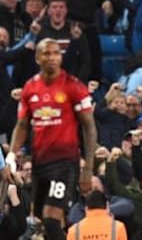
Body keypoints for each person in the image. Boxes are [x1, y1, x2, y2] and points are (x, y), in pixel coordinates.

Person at [3, 38, 97, 240]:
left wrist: (88, 167)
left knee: (51, 219)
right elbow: (21, 126)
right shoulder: (29, 88)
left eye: (56, 53)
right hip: (39, 163)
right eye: (47, 53)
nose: (52, 57)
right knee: (39, 221)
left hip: (65, 163)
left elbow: (89, 127)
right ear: (37, 58)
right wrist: (11, 157)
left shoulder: (73, 86)